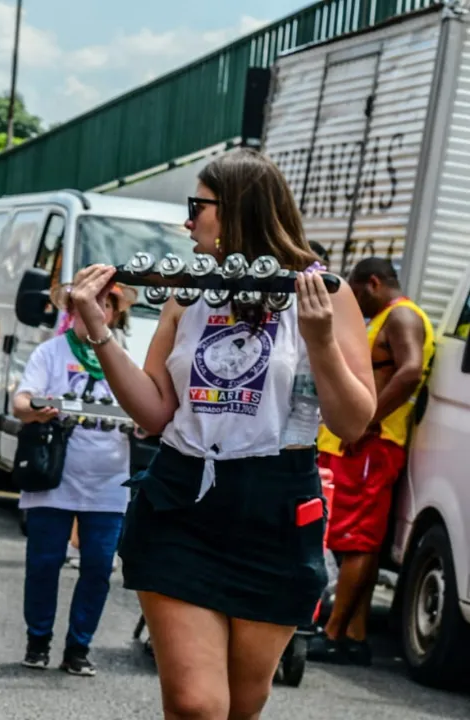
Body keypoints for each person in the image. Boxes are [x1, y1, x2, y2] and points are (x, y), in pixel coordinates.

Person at [62, 149, 375, 719]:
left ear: (237, 210)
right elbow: (155, 413)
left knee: (241, 707)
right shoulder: (187, 294)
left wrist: (321, 340)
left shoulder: (323, 291)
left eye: (196, 207)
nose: (187, 222)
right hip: (182, 500)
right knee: (196, 705)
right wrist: (100, 333)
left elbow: (354, 423)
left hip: (276, 507)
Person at [310, 257, 433, 666]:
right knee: (351, 541)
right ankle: (354, 633)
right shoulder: (388, 318)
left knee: (357, 540)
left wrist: (366, 420)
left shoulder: (402, 318)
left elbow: (411, 371)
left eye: (357, 291)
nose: (354, 302)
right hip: (360, 444)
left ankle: (332, 633)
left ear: (374, 283)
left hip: (371, 446)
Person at [13, 284, 135, 677]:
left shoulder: (121, 357)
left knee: (99, 567)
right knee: (45, 563)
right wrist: (37, 411)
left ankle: (79, 648)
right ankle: (38, 641)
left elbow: (145, 409)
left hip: (109, 481)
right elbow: (20, 402)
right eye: (89, 304)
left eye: (105, 305)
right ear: (73, 309)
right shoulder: (51, 352)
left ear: (115, 313)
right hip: (55, 475)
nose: (97, 311)